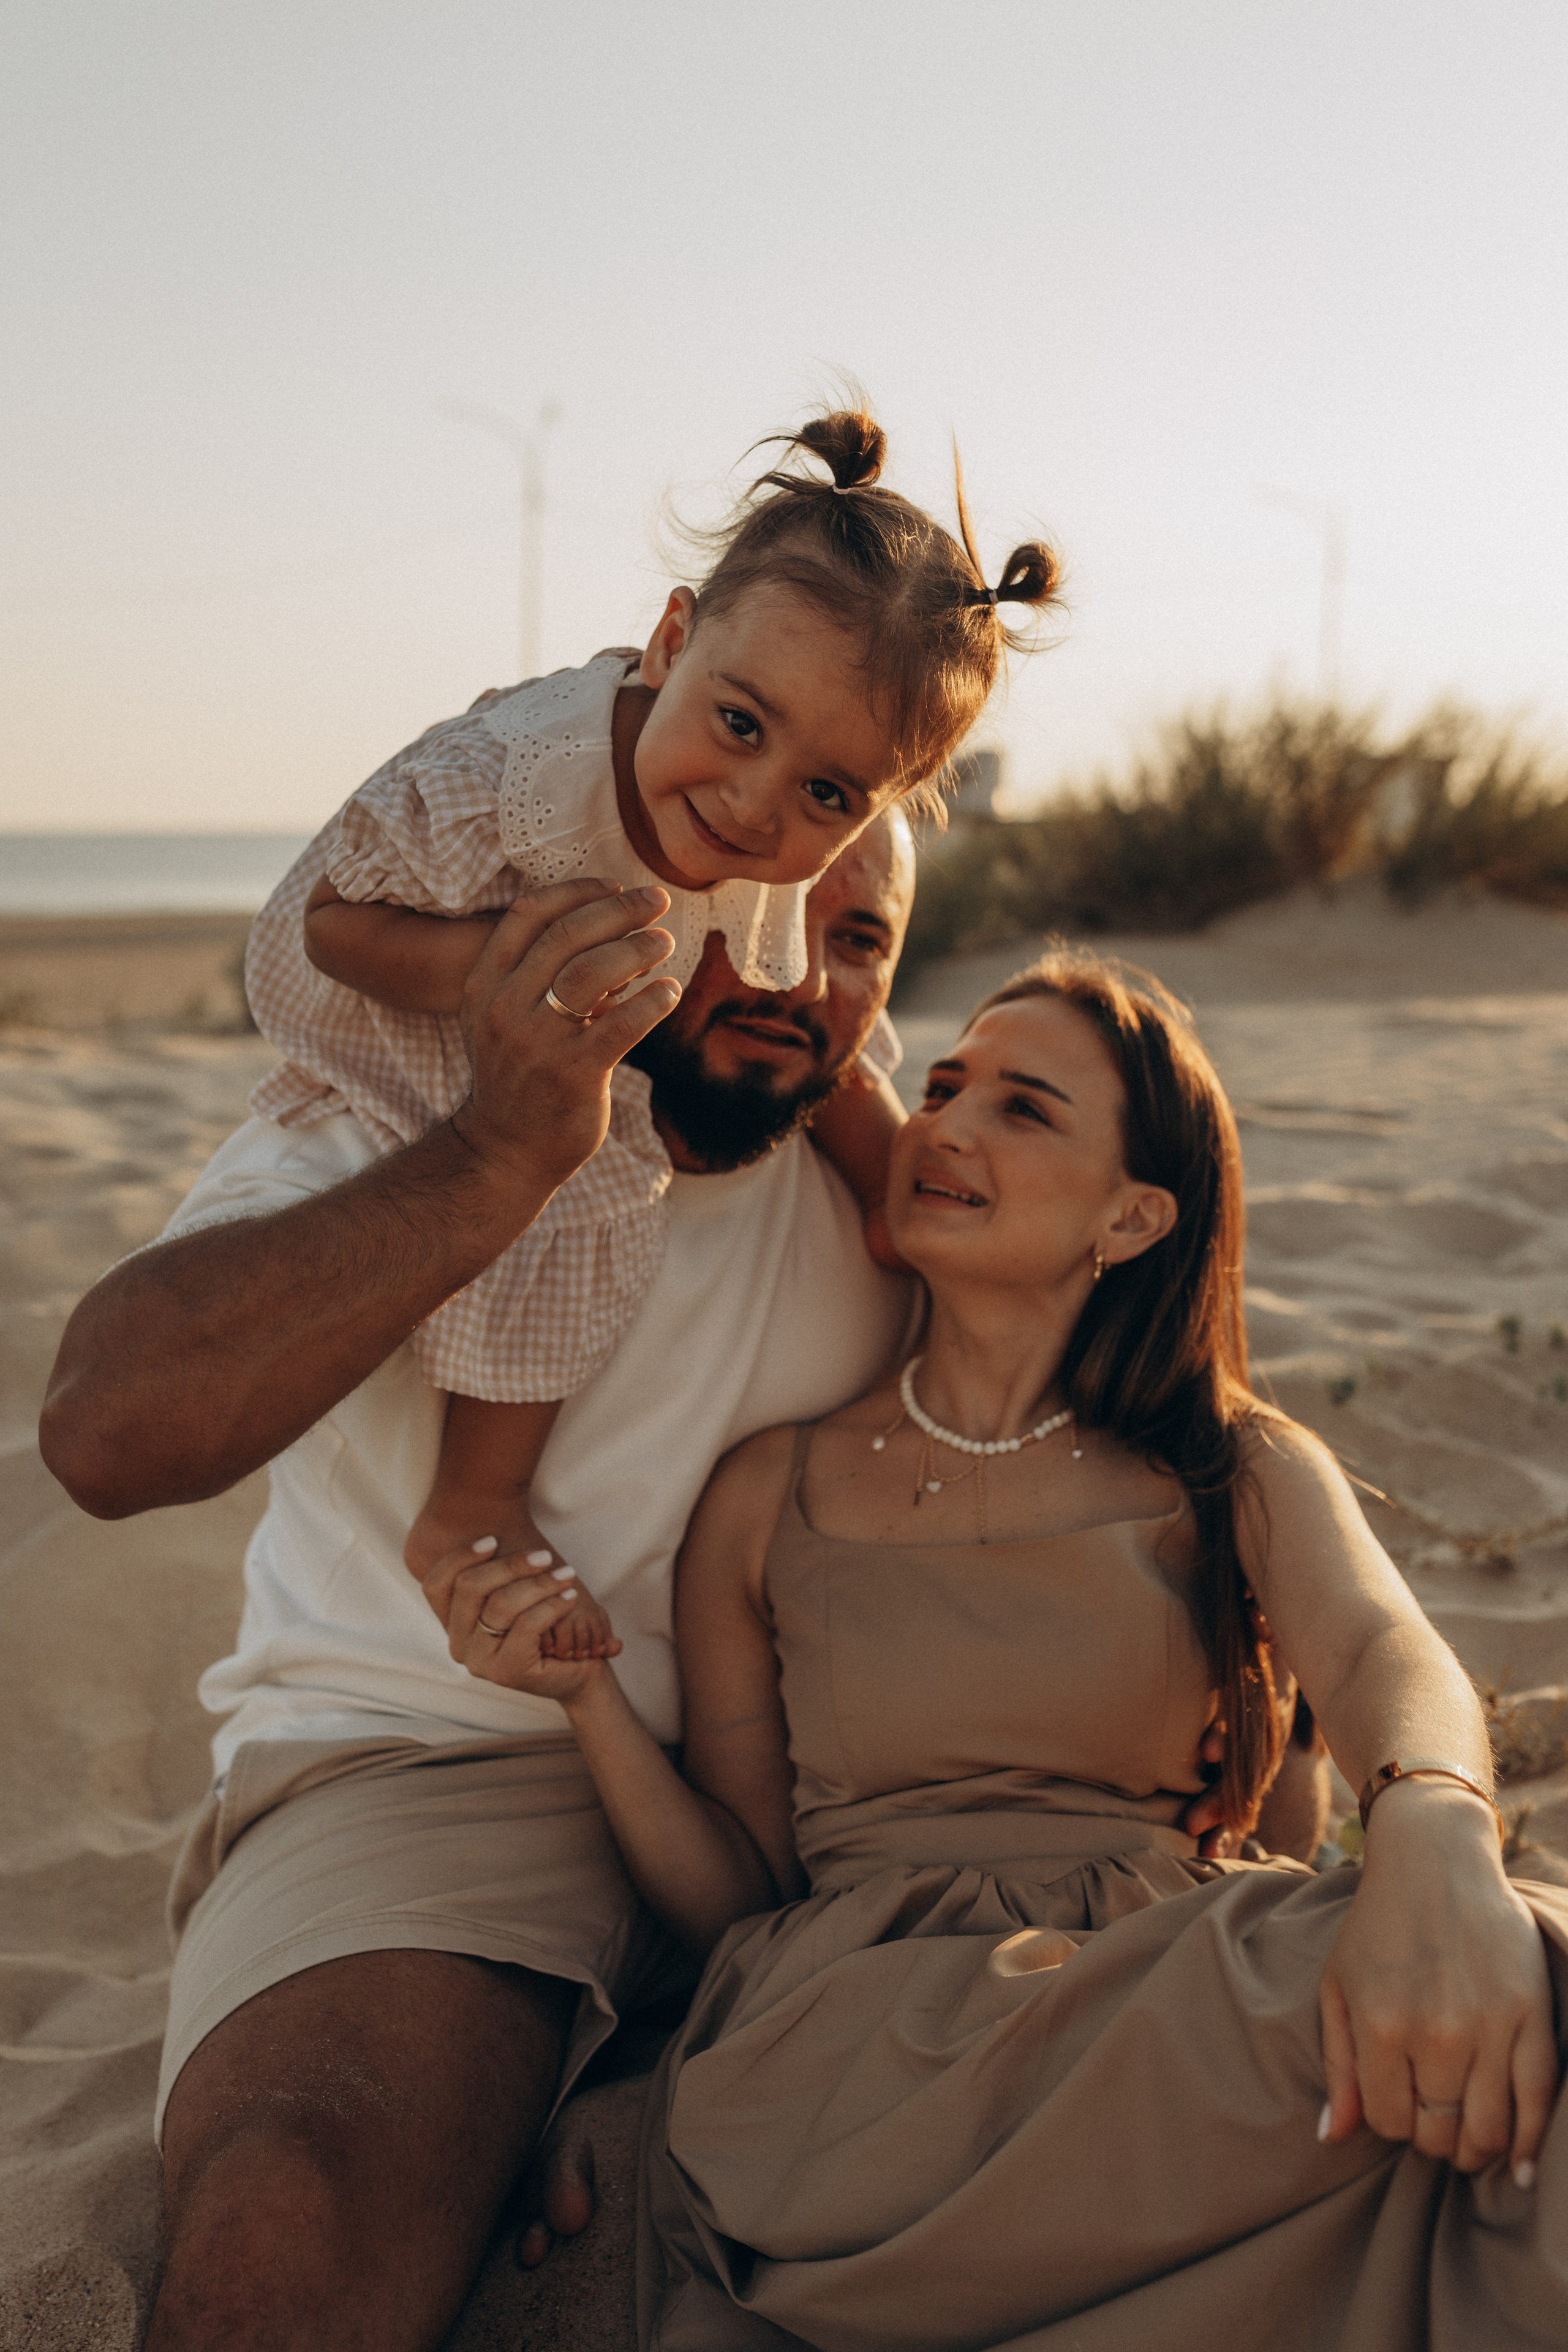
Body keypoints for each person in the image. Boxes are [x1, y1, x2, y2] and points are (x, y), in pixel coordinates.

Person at [455, 947, 1568, 2351]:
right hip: (863, 2049)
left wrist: (1438, 1845)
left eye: (1021, 1107)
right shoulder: (764, 1493)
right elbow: (743, 1894)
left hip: (1175, 1994)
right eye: (940, 1086)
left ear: (1130, 1217)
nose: (944, 1126)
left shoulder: (1229, 1464)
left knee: (1529, 1983)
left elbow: (1372, 1652)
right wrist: (591, 1703)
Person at [39, 824, 924, 2352]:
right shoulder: (399, 1103)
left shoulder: (869, 1138)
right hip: (435, 1771)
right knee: (287, 2233)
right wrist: (498, 1157)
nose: (802, 977)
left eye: (861, 943)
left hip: (823, 1801)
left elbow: (1156, 1348)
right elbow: (103, 1433)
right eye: (765, 913)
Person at [243, 402, 1062, 1600]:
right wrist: (500, 972)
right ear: (670, 642)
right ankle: (472, 1503)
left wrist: (897, 1192)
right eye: (740, 725)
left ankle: (885, 1192)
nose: (755, 806)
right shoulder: (506, 784)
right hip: (403, 972)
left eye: (830, 794)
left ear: (884, 802)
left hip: (572, 962)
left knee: (776, 1011)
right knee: (581, 1170)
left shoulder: (752, 825)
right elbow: (325, 925)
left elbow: (814, 1013)